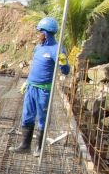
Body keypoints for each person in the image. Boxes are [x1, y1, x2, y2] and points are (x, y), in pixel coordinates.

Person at [11, 17, 70, 156]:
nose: (38, 35)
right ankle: (25, 145)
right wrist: (28, 82)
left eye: (40, 32)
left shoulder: (57, 49)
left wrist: (63, 62)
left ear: (46, 33)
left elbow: (66, 71)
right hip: (31, 87)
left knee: (42, 117)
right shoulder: (39, 47)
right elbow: (35, 67)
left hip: (44, 89)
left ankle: (39, 147)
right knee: (27, 115)